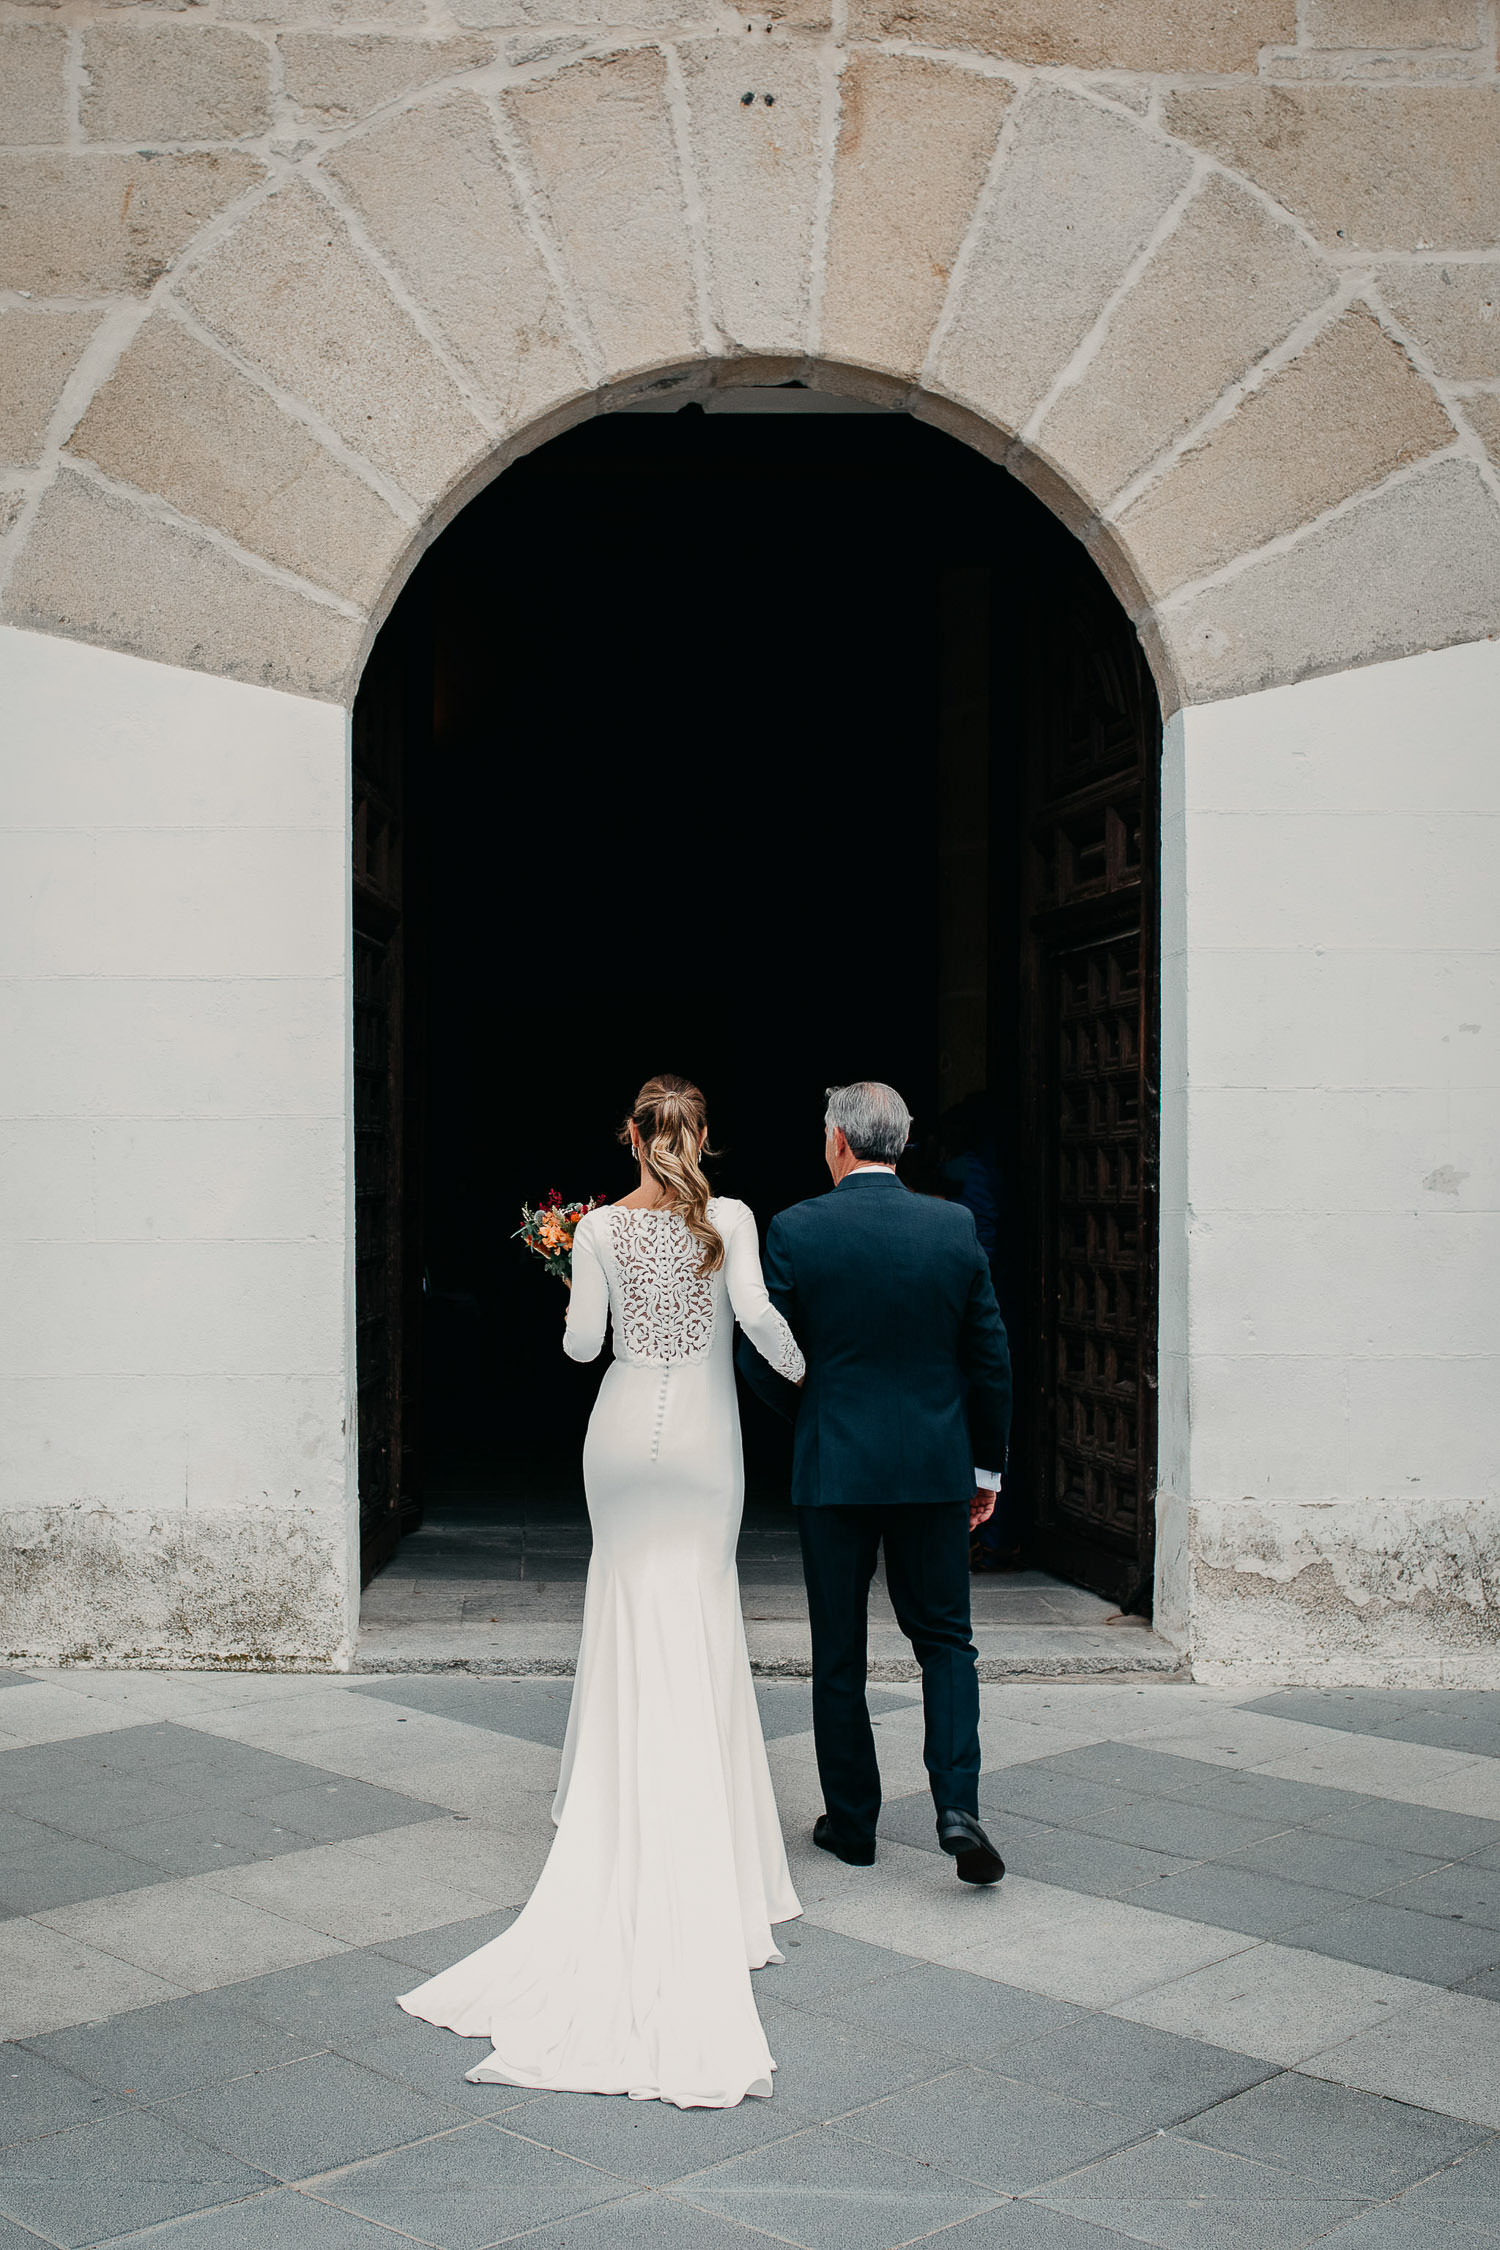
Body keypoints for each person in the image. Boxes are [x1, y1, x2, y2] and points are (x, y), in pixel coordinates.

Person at [399, 1074, 805, 2109]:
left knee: (627, 1615)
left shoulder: (594, 1232)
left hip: (622, 1438)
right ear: (705, 1135)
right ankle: (712, 1839)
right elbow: (756, 1316)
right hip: (708, 1442)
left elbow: (584, 1348)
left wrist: (571, 1268)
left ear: (629, 1136)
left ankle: (619, 1799)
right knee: (702, 1615)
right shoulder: (734, 1217)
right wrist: (816, 1375)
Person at [737, 1081, 1012, 1885]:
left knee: (839, 1652)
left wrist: (814, 1418)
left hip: (835, 1467)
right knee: (946, 1642)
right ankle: (957, 1808)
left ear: (838, 1142)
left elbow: (761, 1352)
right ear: (901, 1143)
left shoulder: (797, 1228)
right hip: (933, 1470)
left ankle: (852, 1825)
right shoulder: (952, 1225)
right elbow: (989, 1358)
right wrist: (985, 1468)